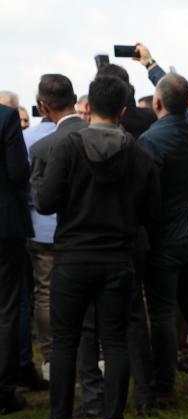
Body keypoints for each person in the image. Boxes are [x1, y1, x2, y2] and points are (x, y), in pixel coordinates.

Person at [30, 75, 159, 419]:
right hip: (118, 257)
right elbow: (152, 212)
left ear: (87, 107)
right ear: (122, 110)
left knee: (66, 340)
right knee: (115, 340)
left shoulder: (69, 146)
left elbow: (46, 201)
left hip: (72, 256)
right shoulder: (138, 153)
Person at [137, 72, 188, 405]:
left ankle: (164, 385)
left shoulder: (150, 140)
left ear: (156, 103)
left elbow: (147, 195)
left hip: (164, 236)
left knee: (163, 314)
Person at [28, 74, 88, 381]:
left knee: (47, 294)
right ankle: (93, 357)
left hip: (50, 232)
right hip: (95, 234)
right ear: (75, 98)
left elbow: (40, 199)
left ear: (43, 106)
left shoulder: (41, 146)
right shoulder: (97, 134)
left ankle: (52, 356)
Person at [0, 102, 32, 415]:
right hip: (5, 224)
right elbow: (18, 170)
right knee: (7, 307)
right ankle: (3, 391)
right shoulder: (6, 116)